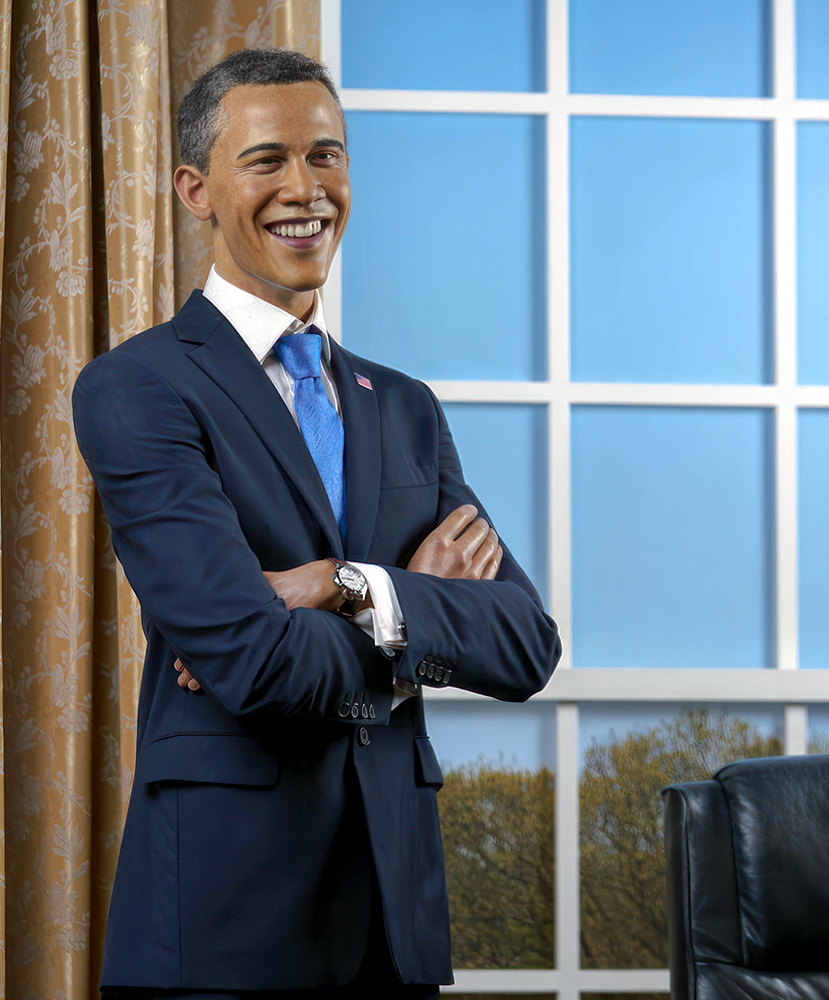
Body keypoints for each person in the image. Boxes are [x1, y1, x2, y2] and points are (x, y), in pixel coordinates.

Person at [72, 47, 561, 1000]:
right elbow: (250, 662)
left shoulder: (404, 407)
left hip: (395, 921)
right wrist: (415, 610)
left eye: (326, 155)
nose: (306, 188)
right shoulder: (140, 387)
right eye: (267, 160)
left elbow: (525, 644)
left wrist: (340, 587)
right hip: (223, 928)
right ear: (195, 189)